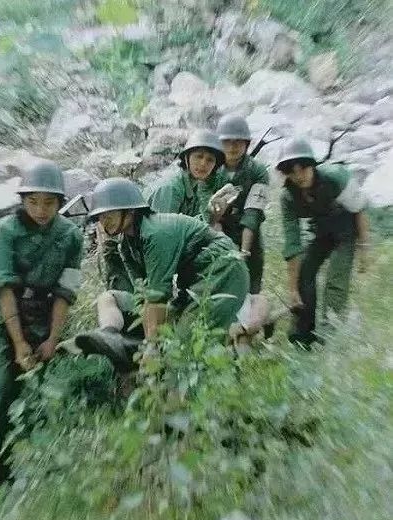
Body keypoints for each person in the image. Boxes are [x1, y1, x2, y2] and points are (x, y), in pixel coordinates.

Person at [0, 162, 84, 483]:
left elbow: (65, 291)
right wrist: (19, 344)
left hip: (39, 311)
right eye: (33, 201)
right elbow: (4, 289)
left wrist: (52, 339)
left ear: (60, 203)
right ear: (23, 200)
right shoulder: (5, 231)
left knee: (33, 382)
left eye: (49, 202)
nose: (41, 209)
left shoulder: (71, 236)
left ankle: (27, 463)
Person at [75, 177, 260, 371]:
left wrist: (152, 346)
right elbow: (143, 295)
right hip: (191, 283)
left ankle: (229, 367)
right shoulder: (126, 246)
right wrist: (149, 342)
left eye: (110, 214)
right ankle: (110, 336)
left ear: (130, 211)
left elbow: (157, 296)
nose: (105, 221)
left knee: (182, 348)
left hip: (224, 271)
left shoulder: (156, 233)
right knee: (108, 298)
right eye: (101, 216)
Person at [276, 138, 369, 348]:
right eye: (291, 170)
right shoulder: (288, 197)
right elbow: (292, 244)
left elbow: (360, 210)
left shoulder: (336, 177)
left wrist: (364, 251)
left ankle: (329, 338)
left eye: (303, 167)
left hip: (346, 232)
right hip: (320, 233)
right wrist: (292, 289)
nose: (299, 175)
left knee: (335, 281)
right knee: (304, 275)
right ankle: (302, 335)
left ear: (313, 166)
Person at [206, 115, 270, 294]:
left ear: (246, 144)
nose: (232, 147)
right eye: (227, 142)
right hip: (218, 232)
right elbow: (207, 209)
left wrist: (244, 251)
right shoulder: (210, 168)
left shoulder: (258, 171)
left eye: (238, 142)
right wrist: (219, 241)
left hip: (250, 239)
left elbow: (253, 212)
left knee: (251, 289)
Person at [148, 129, 226, 216]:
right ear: (186, 158)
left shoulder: (197, 186)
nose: (203, 163)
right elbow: (163, 228)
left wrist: (214, 213)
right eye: (199, 156)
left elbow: (196, 223)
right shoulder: (171, 188)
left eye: (210, 160)